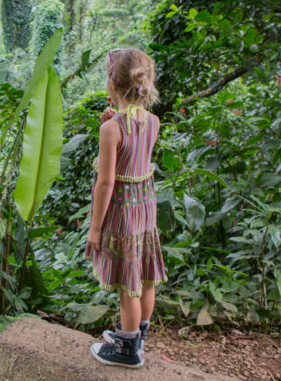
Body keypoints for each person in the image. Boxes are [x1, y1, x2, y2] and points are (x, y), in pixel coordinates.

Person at [84, 47, 167, 368]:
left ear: (112, 82)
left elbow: (105, 183)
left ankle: (127, 350)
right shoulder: (154, 121)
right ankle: (138, 335)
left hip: (122, 211)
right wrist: (112, 121)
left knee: (128, 284)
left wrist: (95, 228)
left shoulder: (111, 129)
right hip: (145, 208)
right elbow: (134, 149)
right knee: (145, 276)